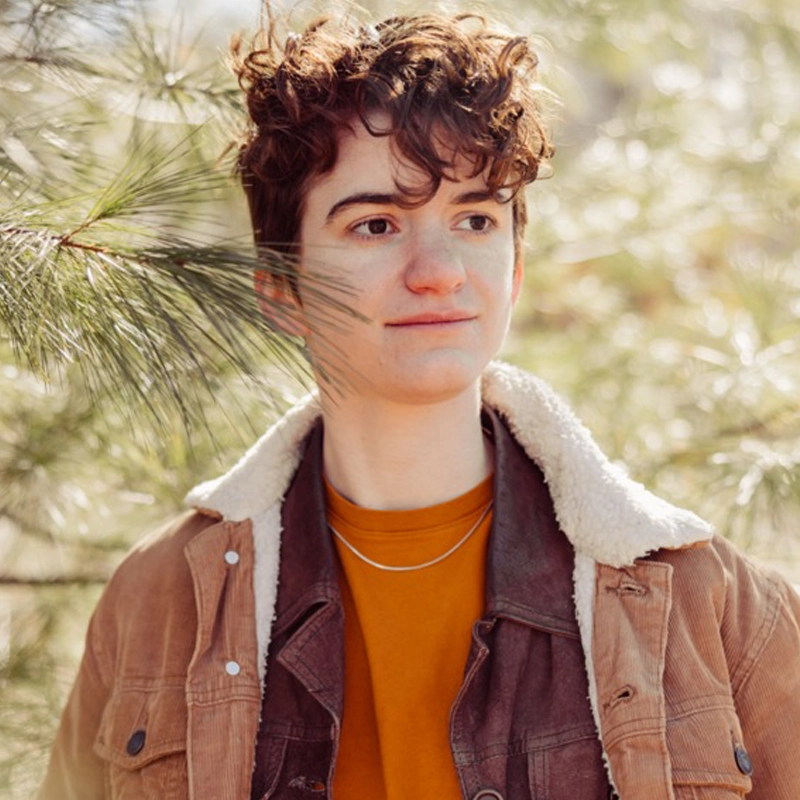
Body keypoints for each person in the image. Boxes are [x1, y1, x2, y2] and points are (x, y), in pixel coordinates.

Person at [39, 8, 800, 800]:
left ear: (514, 267)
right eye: (376, 224)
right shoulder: (159, 602)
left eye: (475, 218)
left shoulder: (713, 606)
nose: (439, 270)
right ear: (279, 288)